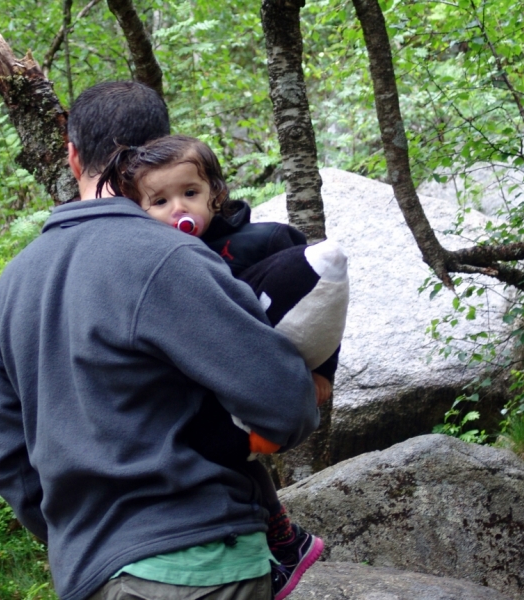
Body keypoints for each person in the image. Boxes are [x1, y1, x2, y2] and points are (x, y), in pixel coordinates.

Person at [0, 80, 320, 600]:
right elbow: (284, 402)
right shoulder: (169, 257)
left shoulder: (11, 287)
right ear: (157, 151)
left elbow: (9, 463)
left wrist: (84, 541)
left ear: (73, 157)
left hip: (86, 572)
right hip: (201, 560)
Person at [96, 135, 349, 600]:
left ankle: (281, 540)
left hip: (255, 377)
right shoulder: (152, 261)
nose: (178, 209)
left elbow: (319, 294)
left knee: (228, 455)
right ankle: (284, 540)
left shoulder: (259, 240)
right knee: (223, 456)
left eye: (189, 193)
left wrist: (322, 373)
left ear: (214, 191)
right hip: (203, 385)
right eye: (160, 201)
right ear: (138, 209)